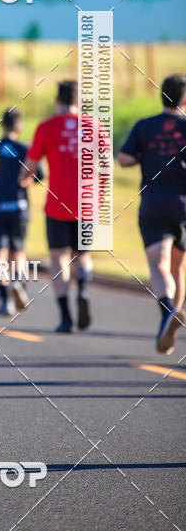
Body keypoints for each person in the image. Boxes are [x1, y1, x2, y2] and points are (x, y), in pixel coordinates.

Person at [19, 80, 103, 333]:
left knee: (58, 258)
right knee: (83, 256)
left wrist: (25, 179)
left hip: (57, 205)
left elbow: (30, 166)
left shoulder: (46, 128)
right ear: (79, 102)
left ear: (57, 101)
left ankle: (66, 316)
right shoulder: (95, 126)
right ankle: (84, 291)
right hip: (87, 204)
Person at [118, 73, 186, 355]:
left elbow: (124, 159)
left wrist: (146, 157)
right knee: (178, 268)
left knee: (158, 264)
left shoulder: (144, 127)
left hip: (155, 204)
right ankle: (172, 318)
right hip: (184, 205)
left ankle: (168, 312)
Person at [0, 107, 43, 316]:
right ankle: (17, 282)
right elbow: (38, 174)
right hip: (19, 208)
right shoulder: (25, 149)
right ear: (19, 127)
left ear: (2, 125)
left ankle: (5, 296)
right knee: (17, 250)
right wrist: (25, 180)